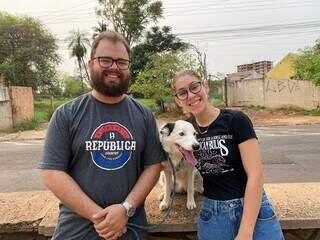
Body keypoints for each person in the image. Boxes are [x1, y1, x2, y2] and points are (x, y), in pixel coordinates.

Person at [38, 31, 165, 240]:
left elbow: (153, 166)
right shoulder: (66, 114)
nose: (114, 67)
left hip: (130, 231)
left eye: (122, 62)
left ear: (128, 67)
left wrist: (125, 209)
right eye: (105, 60)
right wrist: (100, 217)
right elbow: (52, 173)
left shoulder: (144, 115)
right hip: (76, 233)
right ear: (90, 64)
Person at [171, 70, 284, 240]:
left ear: (206, 87)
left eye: (194, 87)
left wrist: (246, 231)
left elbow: (256, 175)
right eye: (182, 92)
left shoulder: (236, 119)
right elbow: (165, 156)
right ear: (178, 100)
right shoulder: (183, 130)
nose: (191, 95)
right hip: (214, 213)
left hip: (253, 208)